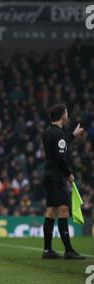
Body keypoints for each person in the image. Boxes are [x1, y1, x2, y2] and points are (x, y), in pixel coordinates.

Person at [42, 104, 86, 259]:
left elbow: (59, 145)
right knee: (63, 210)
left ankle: (48, 250)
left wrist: (73, 135)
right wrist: (69, 174)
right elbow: (61, 158)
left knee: (50, 210)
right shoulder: (59, 134)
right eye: (67, 112)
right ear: (63, 115)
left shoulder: (48, 132)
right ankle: (68, 250)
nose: (68, 115)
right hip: (56, 176)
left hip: (47, 174)